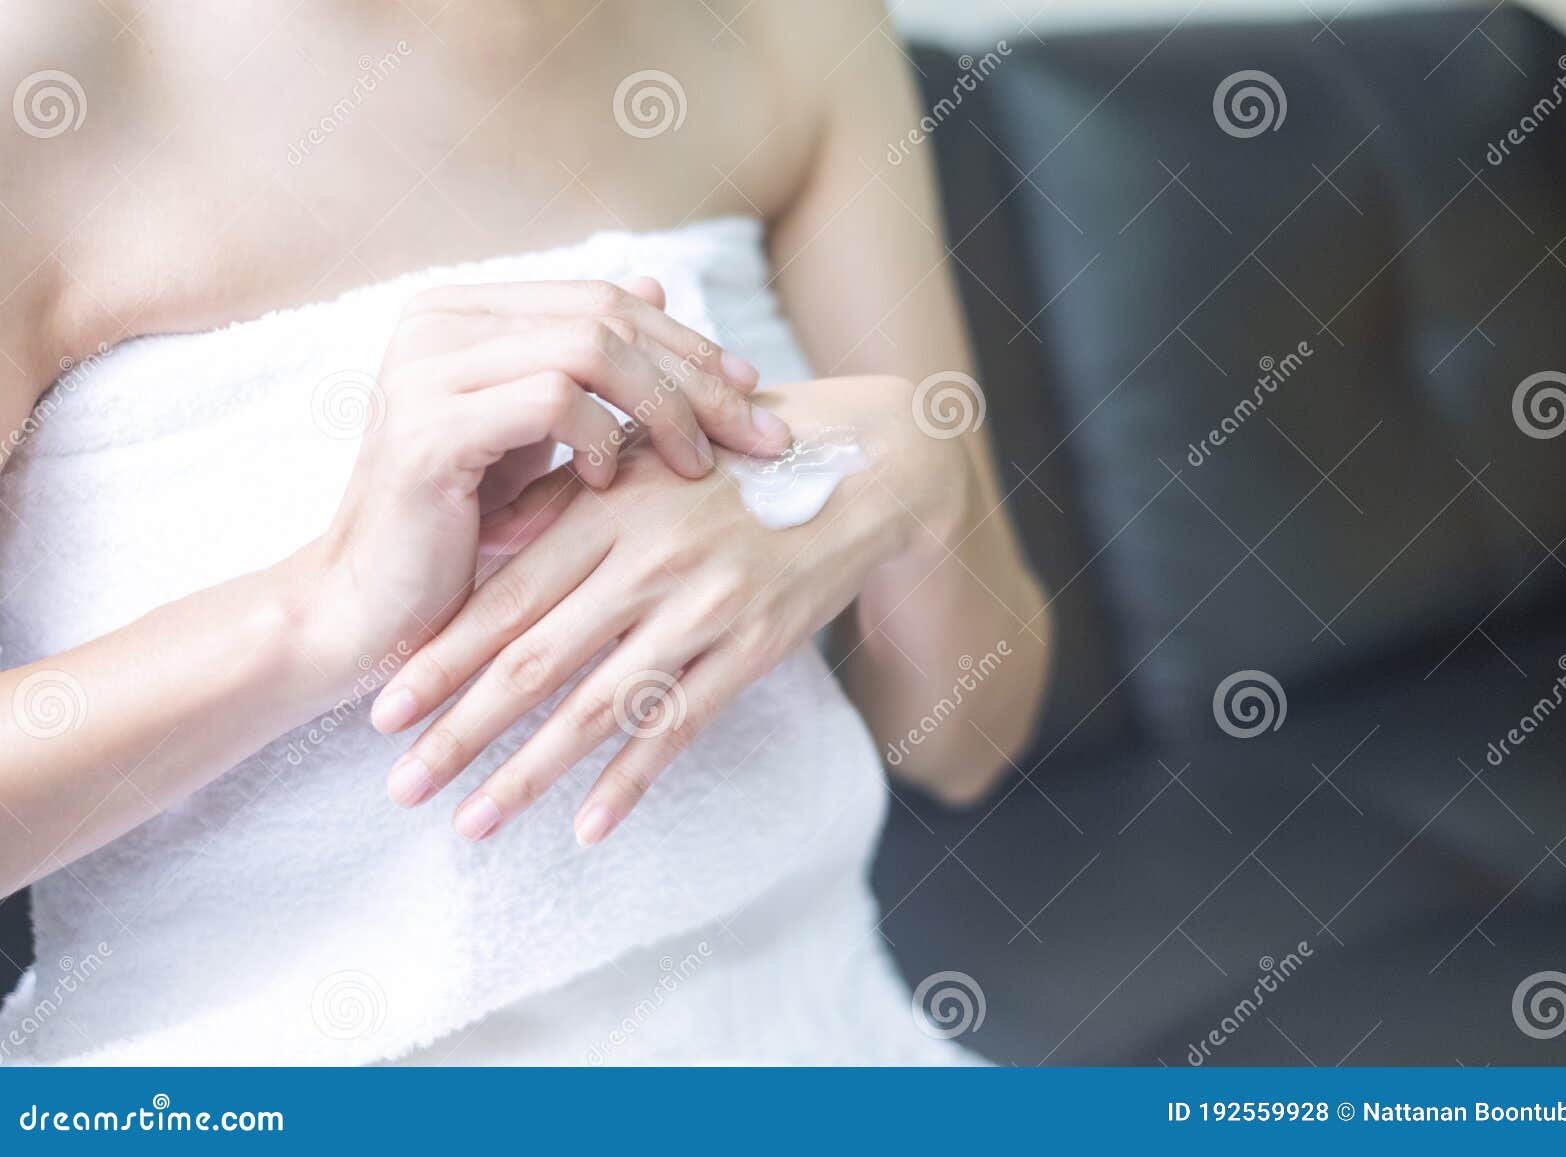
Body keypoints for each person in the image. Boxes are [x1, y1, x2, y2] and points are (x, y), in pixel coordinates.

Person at [0, 0, 1050, 1063]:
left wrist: (923, 478)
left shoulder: (796, 27)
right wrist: (320, 613)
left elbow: (969, 743)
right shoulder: (41, 78)